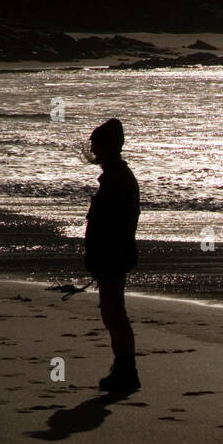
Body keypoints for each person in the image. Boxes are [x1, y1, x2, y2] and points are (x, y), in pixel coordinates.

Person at [83, 118, 141, 393]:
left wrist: (102, 256)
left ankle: (126, 370)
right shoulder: (115, 176)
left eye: (97, 145)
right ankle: (123, 368)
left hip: (114, 256)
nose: (94, 150)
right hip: (114, 255)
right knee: (112, 312)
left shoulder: (118, 179)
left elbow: (116, 225)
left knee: (114, 313)